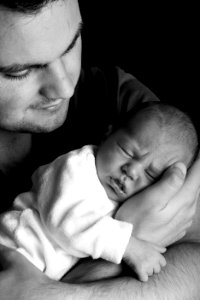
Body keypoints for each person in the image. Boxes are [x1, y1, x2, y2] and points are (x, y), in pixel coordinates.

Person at [0, 0, 200, 299]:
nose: (65, 88)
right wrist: (134, 245)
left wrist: (50, 295)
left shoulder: (115, 99)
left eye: (70, 46)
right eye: (20, 71)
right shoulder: (77, 167)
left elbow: (196, 259)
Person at [2, 102, 197, 283]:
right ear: (108, 135)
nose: (132, 170)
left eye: (151, 174)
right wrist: (129, 246)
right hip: (13, 248)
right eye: (127, 151)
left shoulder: (131, 202)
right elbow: (69, 223)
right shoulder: (75, 168)